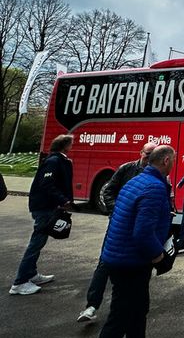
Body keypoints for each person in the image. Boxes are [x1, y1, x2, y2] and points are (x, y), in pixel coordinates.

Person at [93, 145, 176, 338]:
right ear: (166, 161)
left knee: (138, 310)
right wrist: (160, 258)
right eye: (173, 159)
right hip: (131, 262)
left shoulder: (136, 182)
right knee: (120, 318)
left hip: (118, 256)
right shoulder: (154, 188)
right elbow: (143, 233)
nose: (174, 163)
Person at [77, 142, 157, 322]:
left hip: (139, 228)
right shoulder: (126, 169)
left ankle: (133, 306)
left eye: (153, 155)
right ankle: (91, 305)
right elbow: (108, 192)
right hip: (119, 225)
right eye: (147, 153)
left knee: (138, 267)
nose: (149, 157)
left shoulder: (155, 174)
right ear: (141, 152)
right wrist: (116, 210)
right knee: (105, 262)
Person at [9, 134, 74, 296]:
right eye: (70, 144)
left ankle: (31, 274)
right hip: (44, 207)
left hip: (46, 206)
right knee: (36, 243)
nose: (72, 146)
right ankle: (20, 282)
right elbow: (47, 184)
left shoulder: (58, 160)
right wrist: (63, 200)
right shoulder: (54, 161)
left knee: (39, 241)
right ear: (64, 146)